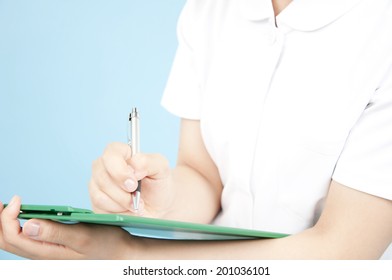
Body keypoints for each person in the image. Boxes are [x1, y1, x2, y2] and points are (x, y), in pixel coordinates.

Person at [1, 0, 391, 259]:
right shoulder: (209, 9)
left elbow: (344, 250)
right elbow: (206, 177)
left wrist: (132, 257)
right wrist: (161, 198)